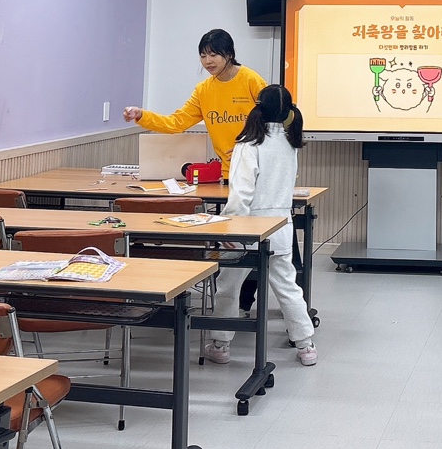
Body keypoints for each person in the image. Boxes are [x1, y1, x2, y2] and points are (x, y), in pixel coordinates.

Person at [205, 85, 317, 367]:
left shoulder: (248, 144)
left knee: (228, 286)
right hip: (280, 225)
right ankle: (306, 345)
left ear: (257, 108)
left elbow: (241, 193)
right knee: (287, 285)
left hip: (248, 226)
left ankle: (220, 344)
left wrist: (230, 227)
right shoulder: (290, 142)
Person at [123, 29, 264, 180]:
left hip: (258, 168)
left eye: (213, 55)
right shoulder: (203, 90)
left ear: (229, 54)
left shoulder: (251, 80)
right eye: (203, 56)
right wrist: (141, 115)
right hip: (229, 172)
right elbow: (176, 123)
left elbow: (273, 122)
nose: (207, 61)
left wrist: (247, 148)